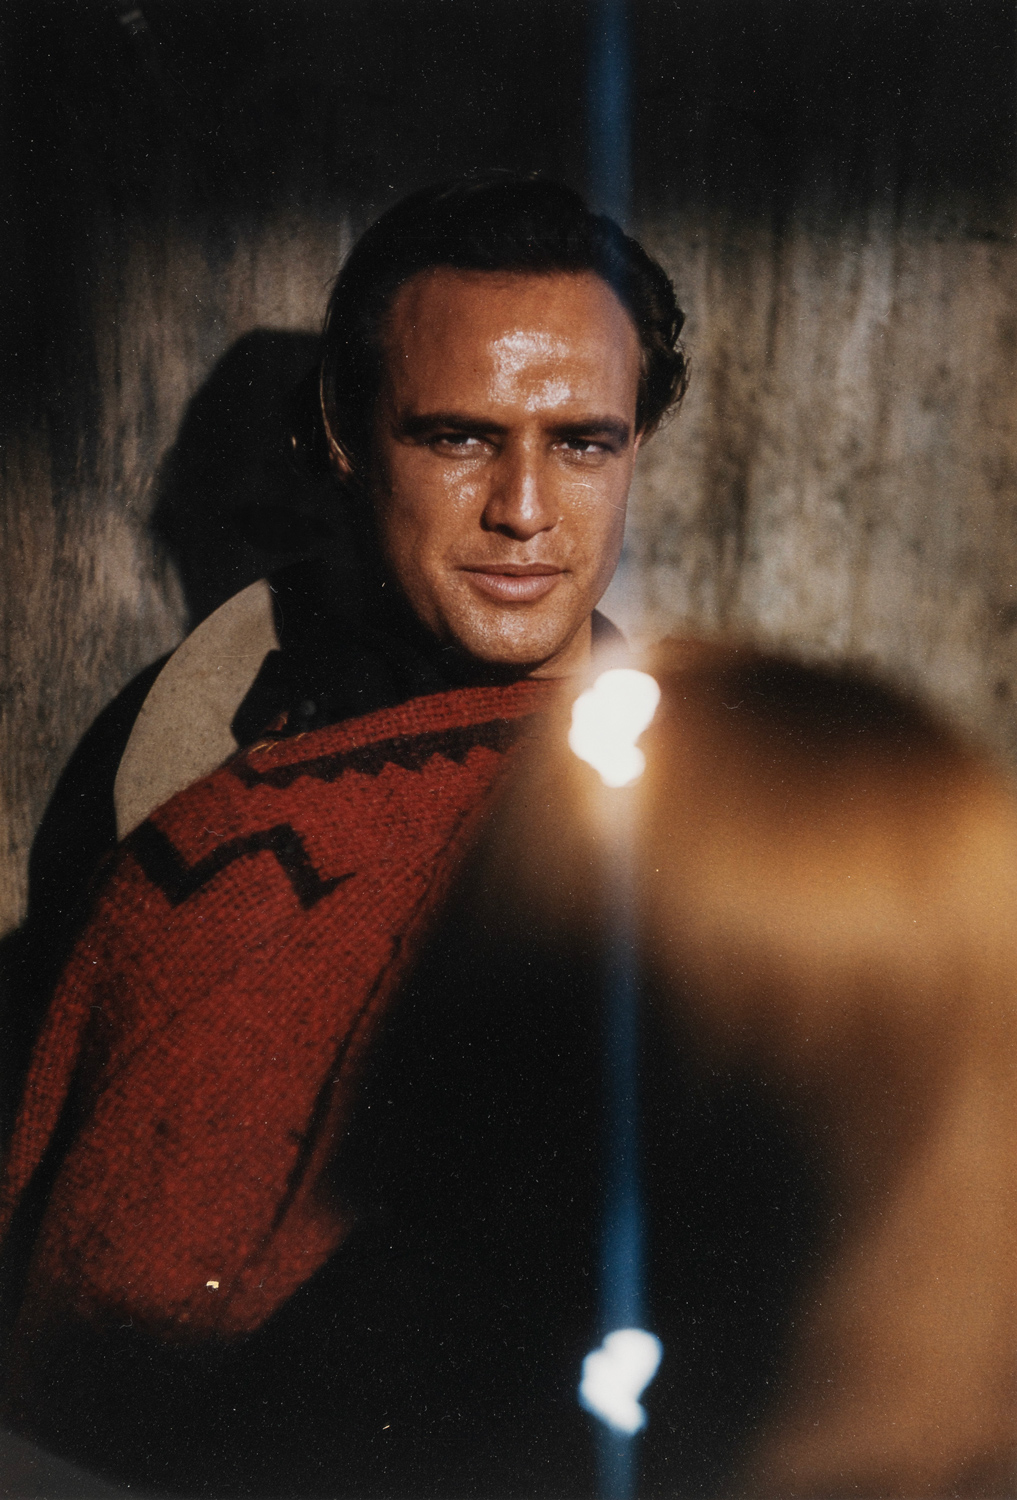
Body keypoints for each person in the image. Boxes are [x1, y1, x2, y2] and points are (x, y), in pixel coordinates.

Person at [0, 173, 689, 1496]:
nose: (524, 509)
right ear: (342, 431)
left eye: (583, 444)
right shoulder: (194, 786)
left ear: (639, 441)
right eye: (459, 438)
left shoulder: (718, 801)